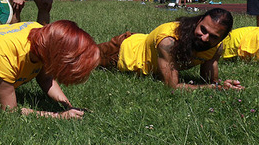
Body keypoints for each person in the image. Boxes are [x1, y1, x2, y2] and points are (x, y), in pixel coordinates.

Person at [96, 8, 242, 90]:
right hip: (121, 52)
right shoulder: (169, 41)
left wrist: (224, 86)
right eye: (203, 30)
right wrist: (213, 88)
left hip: (144, 44)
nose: (204, 38)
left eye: (213, 36)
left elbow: (210, 81)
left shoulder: (216, 48)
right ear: (198, 21)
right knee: (80, 54)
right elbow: (172, 87)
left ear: (222, 38)